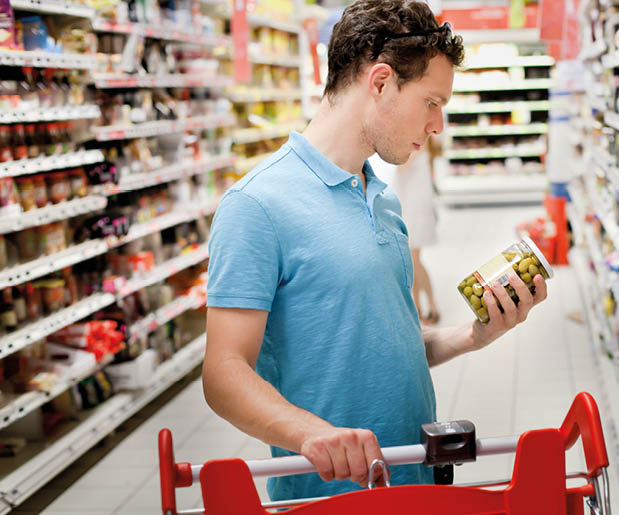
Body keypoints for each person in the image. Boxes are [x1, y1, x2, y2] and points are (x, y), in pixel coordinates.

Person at [201, 0, 548, 504]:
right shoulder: (257, 204)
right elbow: (223, 372)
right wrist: (309, 433)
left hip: (414, 480)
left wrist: (474, 335)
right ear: (381, 82)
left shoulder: (382, 197)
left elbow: (386, 344)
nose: (438, 126)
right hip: (330, 497)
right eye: (433, 102)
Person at [392, 135, 441, 324]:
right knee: (413, 260)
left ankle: (427, 306)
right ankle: (421, 307)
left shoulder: (418, 140)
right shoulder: (420, 141)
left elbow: (402, 165)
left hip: (416, 207)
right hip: (411, 204)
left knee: (413, 261)